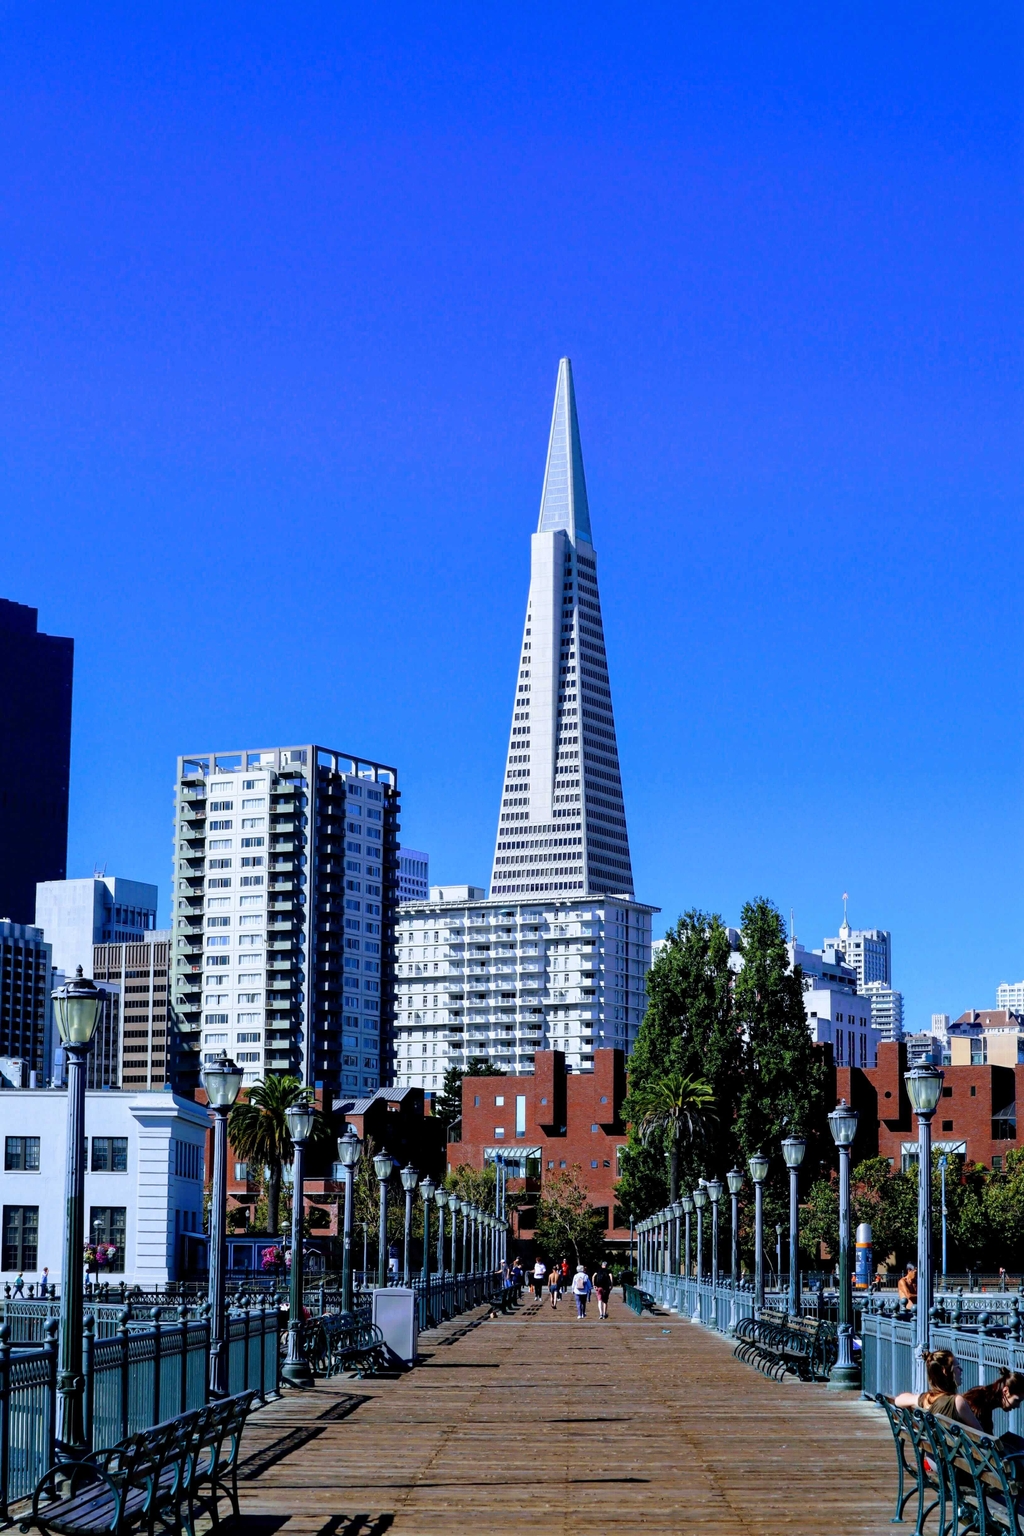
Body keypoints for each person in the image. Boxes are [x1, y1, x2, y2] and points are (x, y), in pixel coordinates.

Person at [895, 1350, 983, 1428]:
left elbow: (898, 1400)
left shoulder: (927, 1399)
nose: (961, 1370)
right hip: (951, 1446)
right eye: (957, 1367)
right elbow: (981, 1435)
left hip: (934, 1445)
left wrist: (918, 1399)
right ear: (945, 1372)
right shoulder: (957, 1401)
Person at [964, 1369, 1024, 1443]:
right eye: (1017, 1400)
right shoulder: (982, 1406)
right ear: (1005, 1391)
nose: (1018, 1406)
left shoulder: (979, 1394)